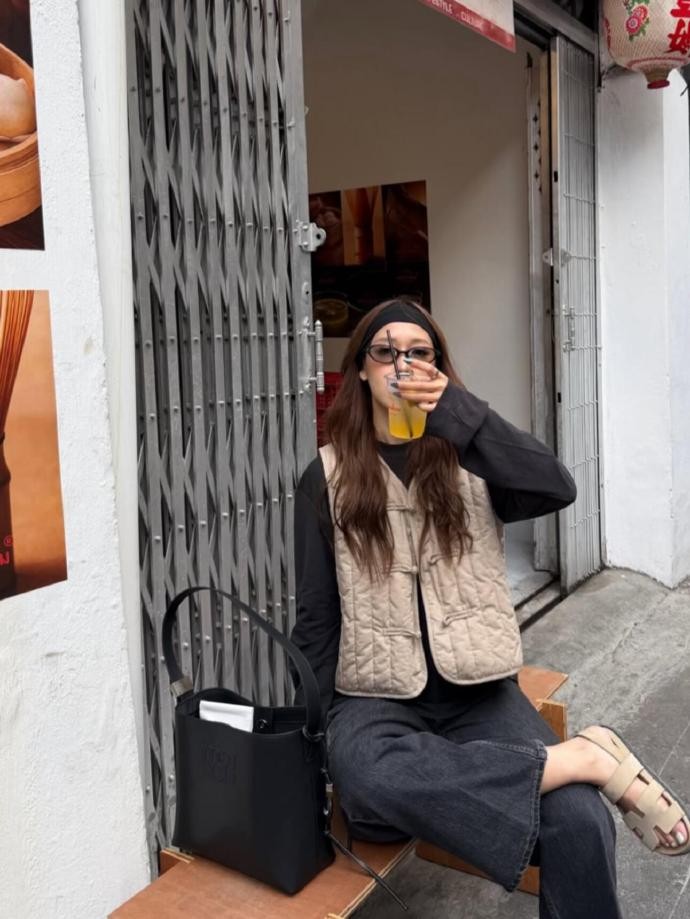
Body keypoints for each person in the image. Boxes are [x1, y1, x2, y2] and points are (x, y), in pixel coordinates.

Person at [291, 298, 690, 918]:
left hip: (475, 692)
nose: (402, 365)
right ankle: (570, 759)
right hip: (374, 697)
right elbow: (317, 618)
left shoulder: (472, 457)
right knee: (367, 782)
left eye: (419, 352)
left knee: (579, 820)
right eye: (386, 352)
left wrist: (459, 413)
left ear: (440, 368)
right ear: (362, 369)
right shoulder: (327, 476)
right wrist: (310, 739)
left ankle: (556, 770)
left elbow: (557, 485)